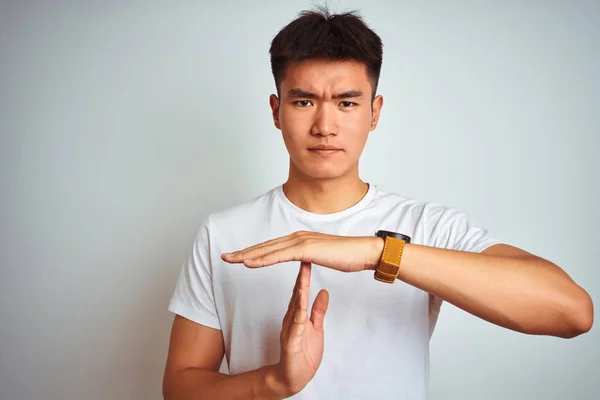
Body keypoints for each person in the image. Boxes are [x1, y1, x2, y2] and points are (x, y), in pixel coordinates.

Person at [162, 7, 593, 400]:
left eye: (347, 103)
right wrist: (274, 382)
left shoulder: (423, 226)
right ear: (276, 111)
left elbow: (571, 311)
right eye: (304, 101)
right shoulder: (225, 234)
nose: (325, 125)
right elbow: (181, 385)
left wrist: (378, 252)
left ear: (374, 112)